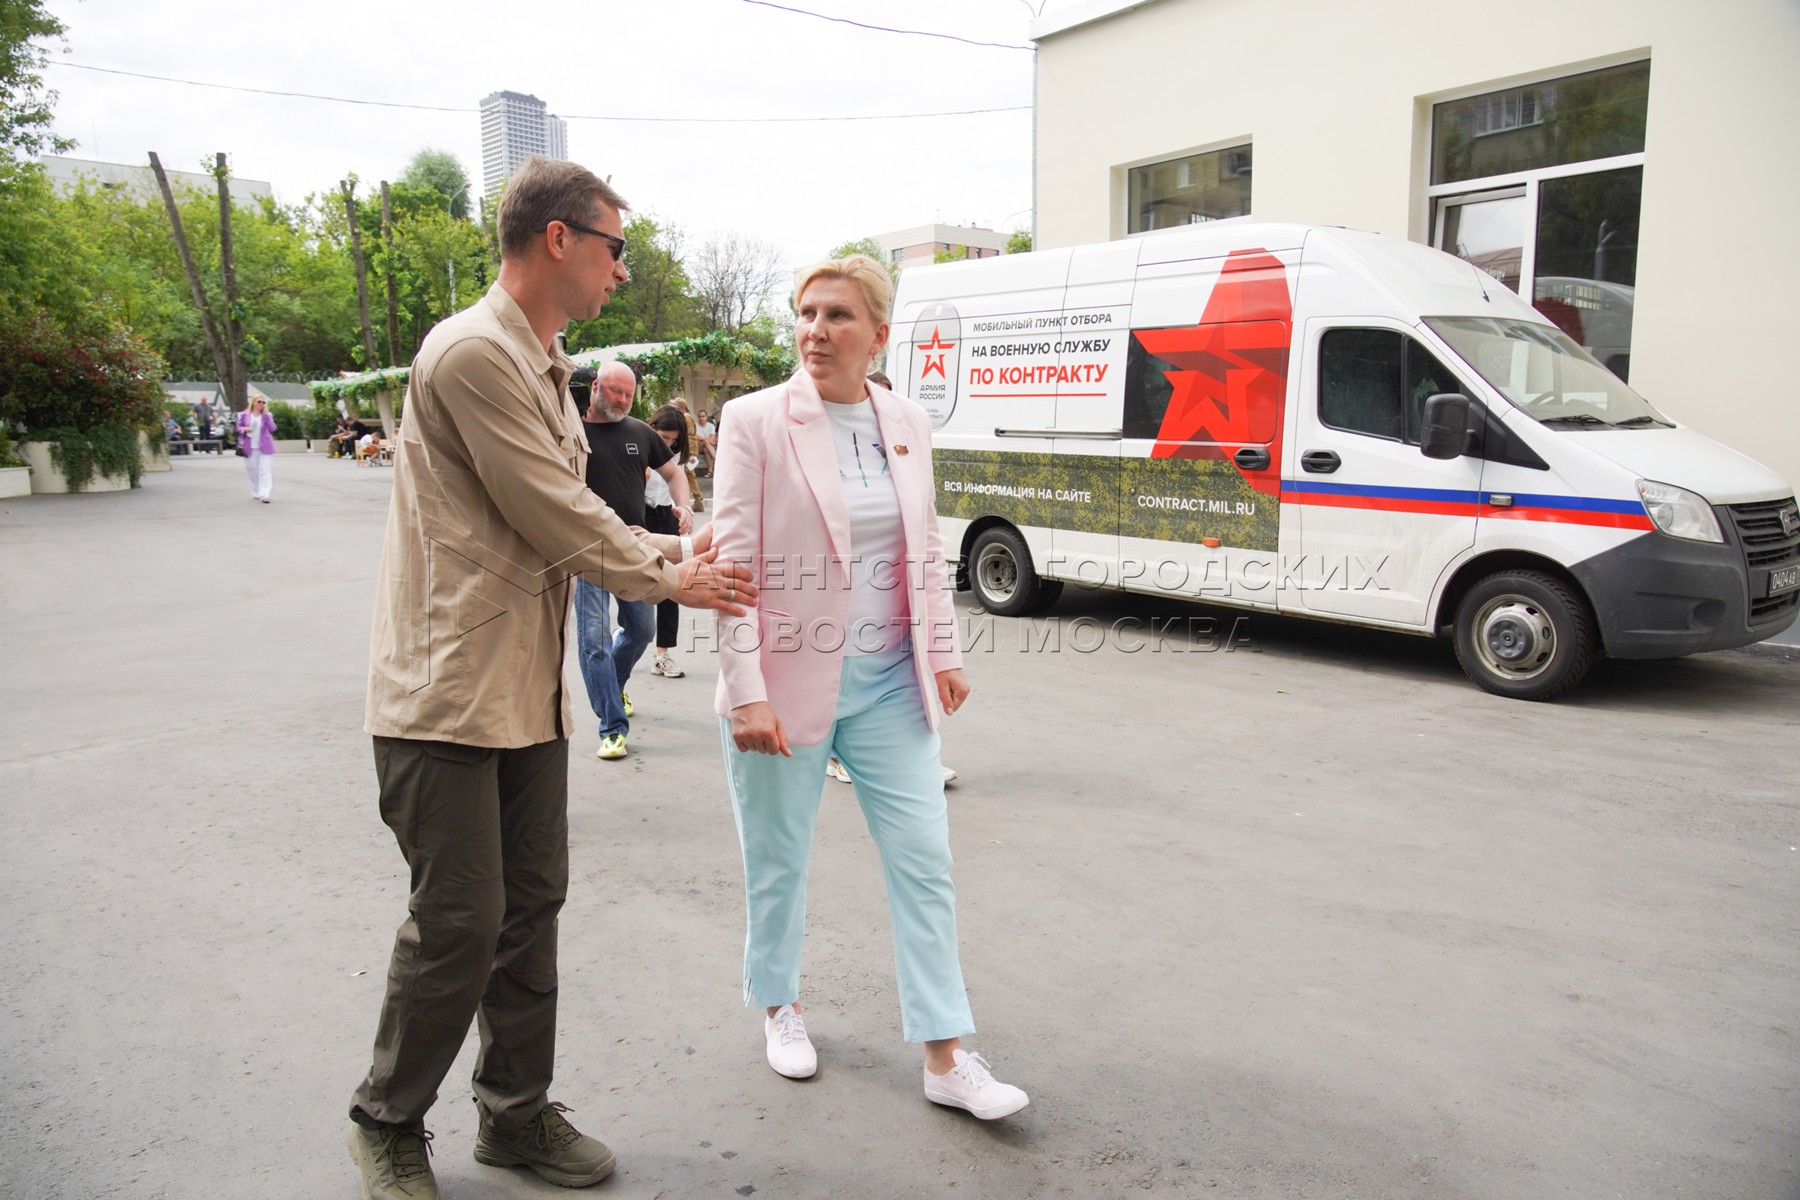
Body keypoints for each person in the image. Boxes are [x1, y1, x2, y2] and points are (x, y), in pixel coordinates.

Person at [348, 156, 755, 1200]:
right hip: (445, 694)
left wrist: (678, 547)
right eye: (616, 248)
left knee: (531, 906)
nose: (622, 270)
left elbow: (571, 514)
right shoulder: (472, 354)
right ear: (560, 238)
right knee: (460, 922)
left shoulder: (544, 363)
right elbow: (550, 509)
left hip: (525, 694)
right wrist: (671, 573)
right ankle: (386, 1122)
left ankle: (515, 1114)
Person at [712, 254, 1027, 1120]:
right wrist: (745, 690)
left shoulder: (907, 420)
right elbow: (731, 566)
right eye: (806, 313)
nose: (815, 331)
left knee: (925, 861)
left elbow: (924, 546)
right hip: (785, 682)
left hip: (891, 682)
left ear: (878, 335)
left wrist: (944, 652)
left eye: (837, 315)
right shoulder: (754, 421)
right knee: (778, 860)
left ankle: (945, 1056)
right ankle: (780, 1005)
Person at [573, 361, 691, 761]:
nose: (622, 400)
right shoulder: (571, 432)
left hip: (633, 547)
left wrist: (683, 505)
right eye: (615, 391)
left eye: (628, 394)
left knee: (641, 629)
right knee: (594, 641)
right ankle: (612, 727)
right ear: (595, 387)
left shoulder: (640, 432)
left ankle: (614, 684)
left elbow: (674, 474)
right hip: (587, 550)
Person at [645, 405, 697, 678]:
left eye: (672, 440)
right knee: (632, 581)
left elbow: (679, 483)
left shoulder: (675, 455)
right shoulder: (637, 443)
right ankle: (628, 633)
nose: (666, 444)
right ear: (652, 427)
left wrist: (685, 509)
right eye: (663, 437)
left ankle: (662, 654)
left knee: (669, 584)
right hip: (637, 514)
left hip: (666, 514)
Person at [236, 396, 276, 502]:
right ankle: (256, 491)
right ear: (253, 402)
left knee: (264, 471)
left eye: (263, 402)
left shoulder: (267, 415)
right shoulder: (244, 415)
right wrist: (245, 429)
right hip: (249, 447)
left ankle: (265, 494)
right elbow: (238, 428)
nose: (261, 404)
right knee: (253, 471)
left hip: (265, 447)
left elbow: (273, 428)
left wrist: (267, 416)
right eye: (259, 401)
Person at [694, 408, 718, 476]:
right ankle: (716, 459)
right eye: (699, 416)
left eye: (703, 416)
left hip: (708, 447)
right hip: (699, 447)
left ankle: (710, 471)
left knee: (706, 450)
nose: (701, 418)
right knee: (705, 442)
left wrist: (703, 439)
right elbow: (696, 437)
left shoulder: (711, 426)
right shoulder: (695, 426)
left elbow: (712, 437)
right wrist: (706, 440)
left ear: (706, 417)